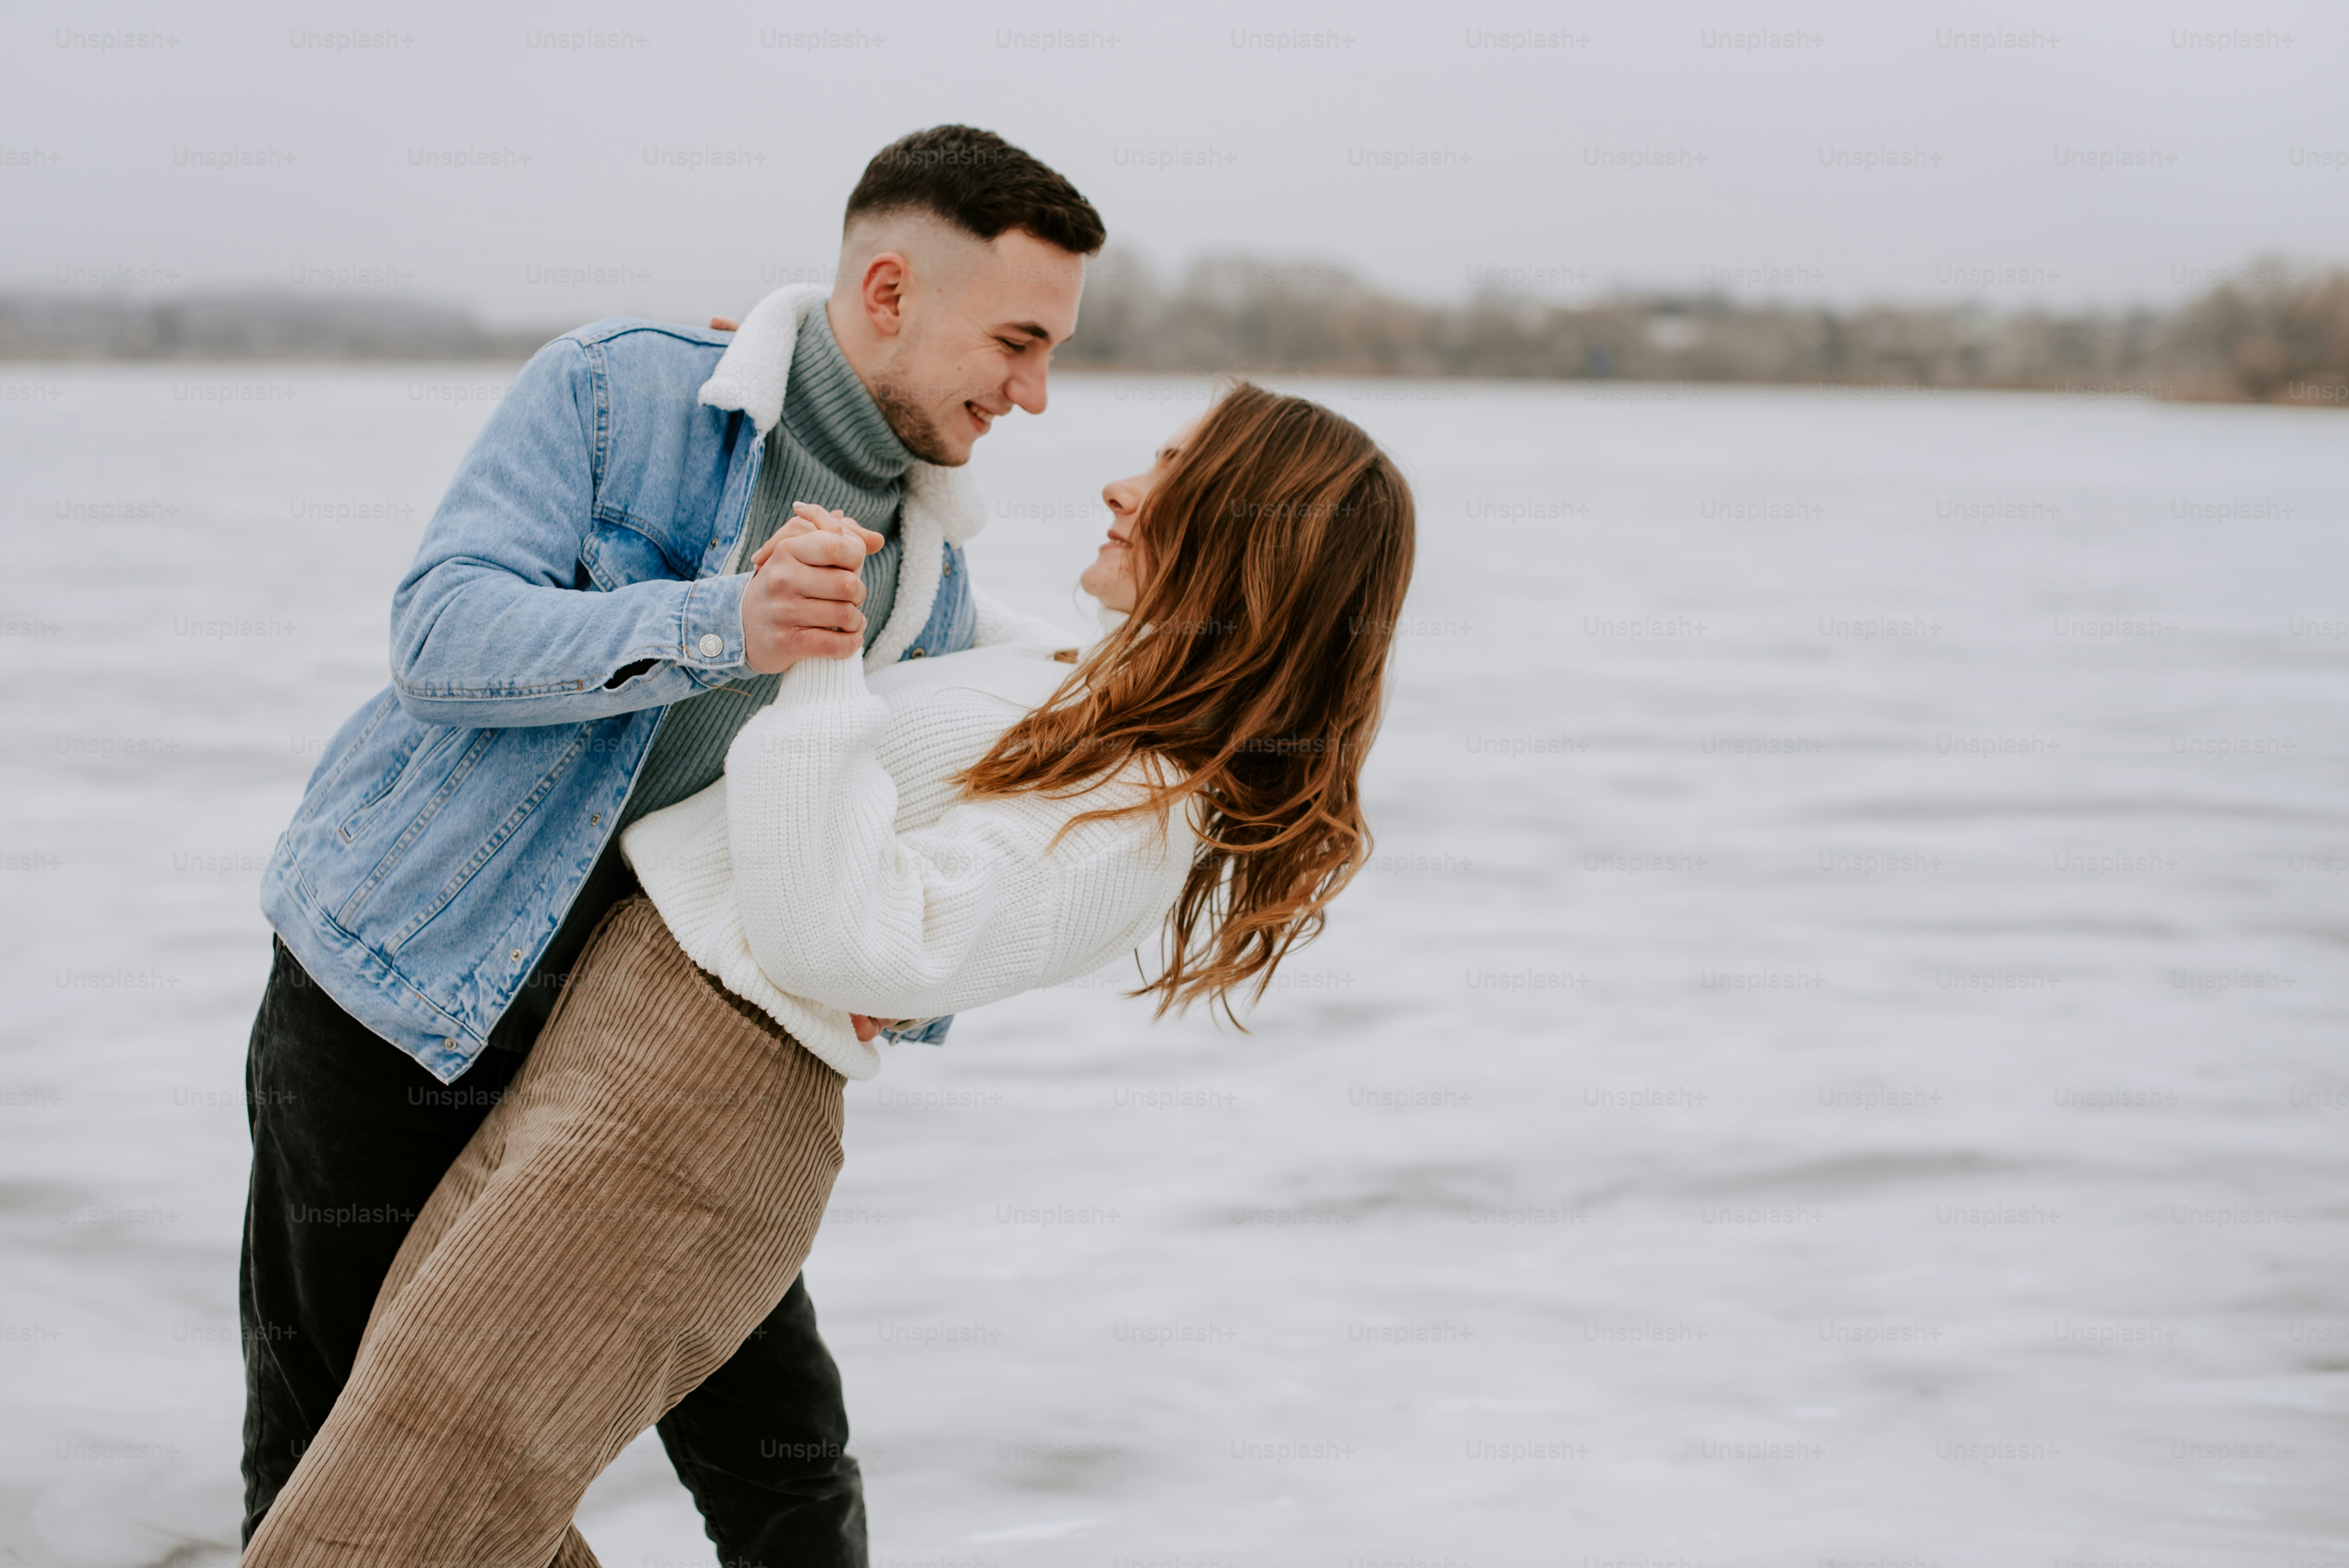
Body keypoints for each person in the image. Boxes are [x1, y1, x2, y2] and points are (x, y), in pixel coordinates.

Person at [238, 383, 1419, 1567]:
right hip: (625, 1040)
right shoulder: (1080, 681)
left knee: (387, 1521)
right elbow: (918, 594)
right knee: (433, 1495)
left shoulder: (1143, 809)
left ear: (1256, 540)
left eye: (1174, 474)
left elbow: (844, 944)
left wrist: (818, 671)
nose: (1122, 487)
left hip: (698, 1102)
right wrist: (799, 387)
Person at [239, 125, 1103, 1565]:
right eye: (1017, 342)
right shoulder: (618, 387)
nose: (1035, 392)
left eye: (1052, 352)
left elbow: (884, 848)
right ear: (887, 292)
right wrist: (722, 623)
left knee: (788, 1472)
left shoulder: (934, 571)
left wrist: (912, 994)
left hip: (657, 1073)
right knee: (345, 1455)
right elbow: (438, 635)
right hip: (394, 999)